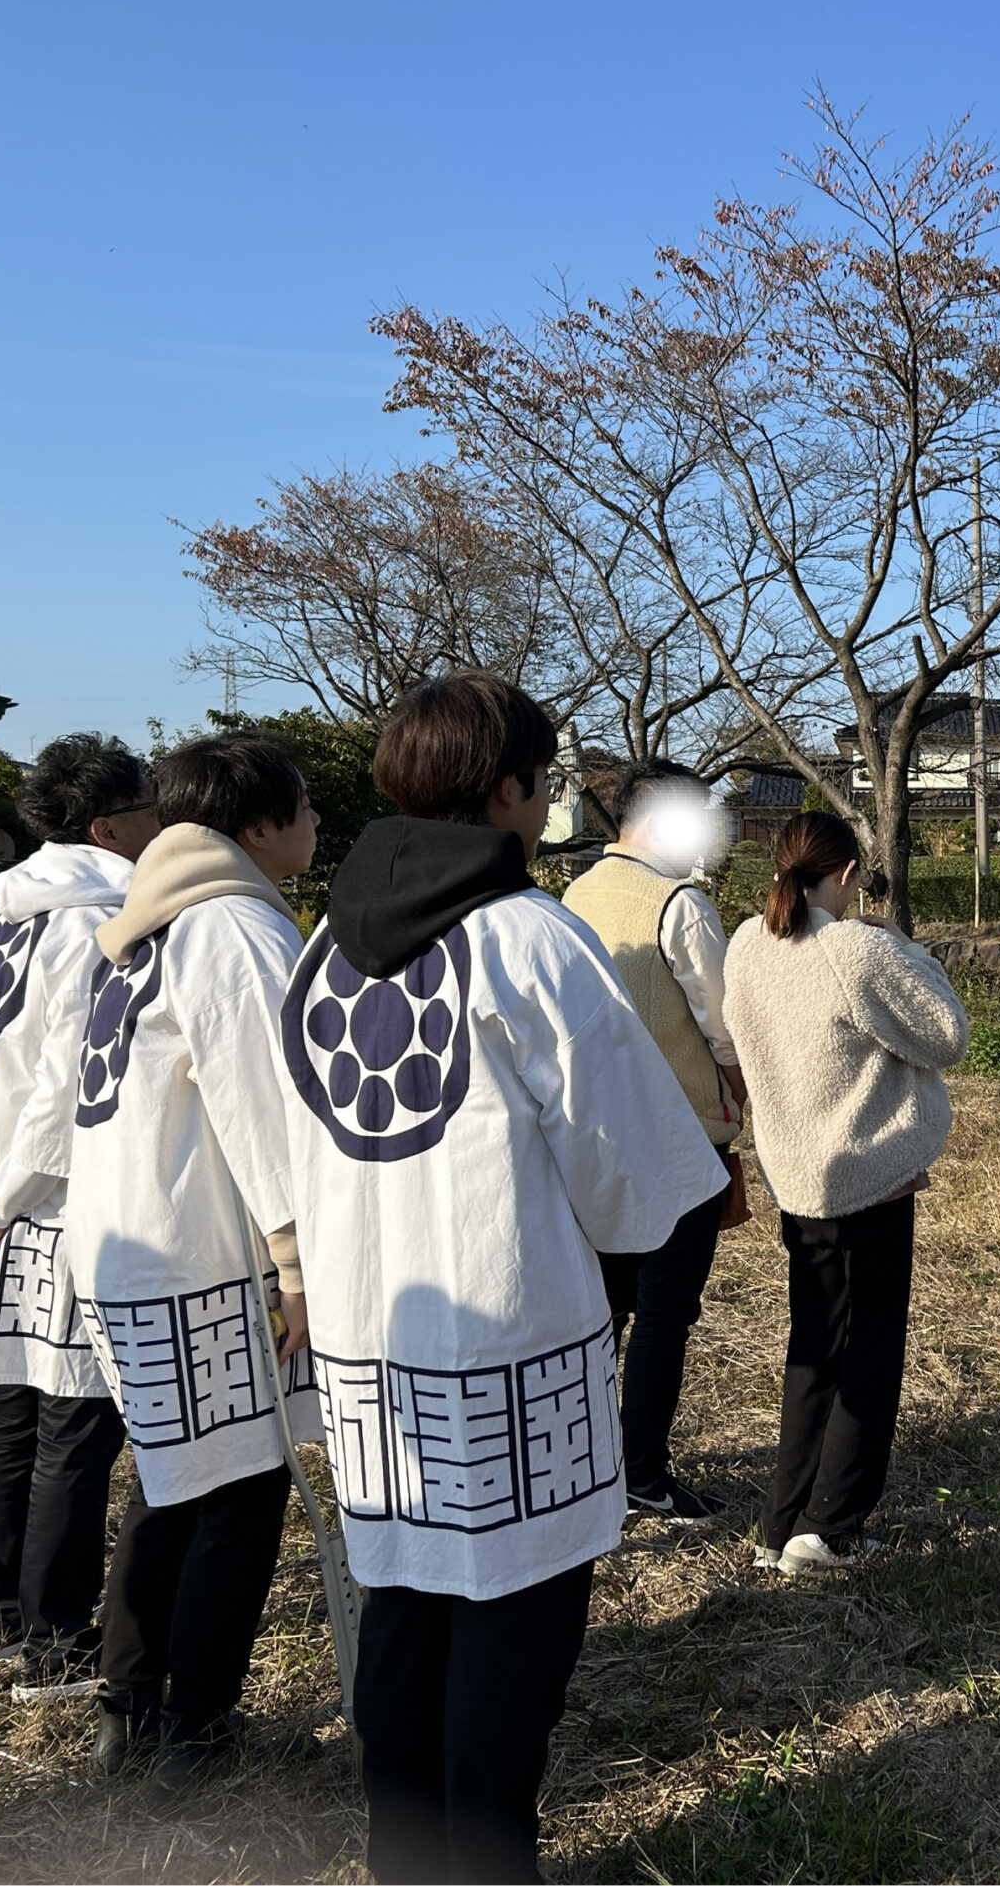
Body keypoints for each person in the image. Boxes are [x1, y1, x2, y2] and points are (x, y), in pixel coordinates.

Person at [277, 671, 725, 1885]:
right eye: (541, 780)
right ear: (508, 787)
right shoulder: (527, 937)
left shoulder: (323, 943)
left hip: (375, 1339)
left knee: (406, 1604)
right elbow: (633, 1177)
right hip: (509, 1339)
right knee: (512, 1626)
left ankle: (403, 1857)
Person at [0, 732, 321, 1794]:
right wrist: (297, 1258)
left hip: (129, 1247)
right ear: (258, 826)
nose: (318, 825)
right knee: (237, 1490)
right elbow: (270, 1105)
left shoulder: (142, 927)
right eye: (307, 808)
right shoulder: (231, 926)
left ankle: (131, 1707)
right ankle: (196, 1725)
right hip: (204, 1253)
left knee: (177, 1482)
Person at [0, 733, 159, 1702]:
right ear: (107, 825)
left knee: (9, 1414)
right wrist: (6, 1191)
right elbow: (66, 1089)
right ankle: (57, 1642)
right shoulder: (97, 928)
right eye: (149, 804)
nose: (162, 820)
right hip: (59, 1202)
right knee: (74, 1423)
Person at [721, 811, 968, 1574]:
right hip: (866, 1175)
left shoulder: (746, 942)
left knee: (814, 1348)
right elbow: (945, 1033)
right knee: (870, 1353)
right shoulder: (853, 947)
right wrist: (906, 946)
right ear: (850, 875)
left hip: (796, 1173)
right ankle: (830, 1527)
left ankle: (781, 1519)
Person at [560, 759, 745, 1525]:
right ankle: (642, 1470)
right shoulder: (680, 905)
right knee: (667, 1313)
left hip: (589, 1140)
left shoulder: (573, 895)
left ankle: (584, 1459)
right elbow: (728, 1028)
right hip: (677, 1142)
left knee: (601, 1311)